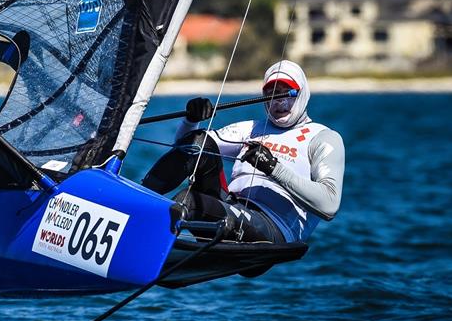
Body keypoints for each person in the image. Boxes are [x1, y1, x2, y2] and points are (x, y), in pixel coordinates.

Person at [142, 60, 344, 243]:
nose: (279, 102)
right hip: (231, 207)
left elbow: (329, 206)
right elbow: (187, 149)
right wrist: (191, 121)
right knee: (193, 166)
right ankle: (139, 201)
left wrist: (273, 168)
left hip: (274, 227)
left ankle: (150, 239)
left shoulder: (322, 138)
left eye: (286, 93)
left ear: (301, 94)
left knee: (189, 202)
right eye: (272, 94)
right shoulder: (251, 129)